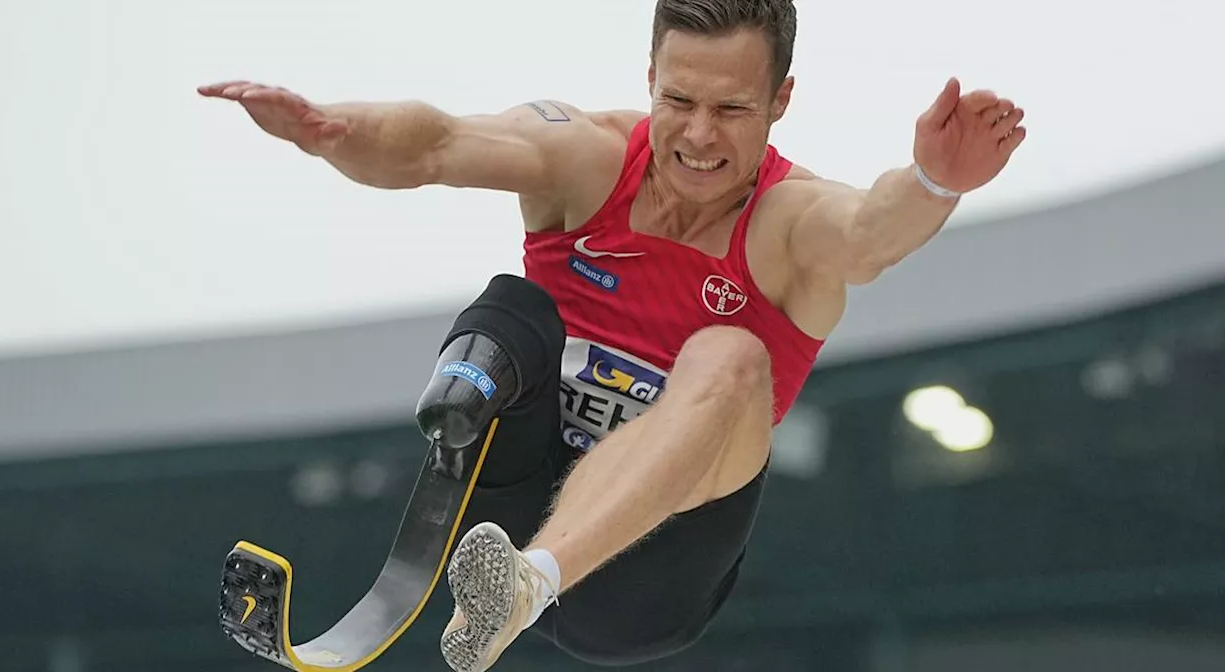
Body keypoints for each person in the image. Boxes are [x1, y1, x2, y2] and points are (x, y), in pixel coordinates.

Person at [199, 1, 1026, 669]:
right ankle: (463, 414)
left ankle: (526, 586)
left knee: (732, 353)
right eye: (680, 102)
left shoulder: (787, 224)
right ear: (651, 79)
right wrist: (329, 132)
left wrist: (931, 182)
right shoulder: (587, 158)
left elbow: (866, 236)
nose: (699, 137)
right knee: (514, 309)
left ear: (780, 102)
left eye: (733, 110)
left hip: (643, 583)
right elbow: (439, 144)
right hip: (507, 517)